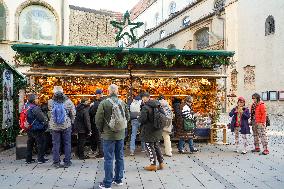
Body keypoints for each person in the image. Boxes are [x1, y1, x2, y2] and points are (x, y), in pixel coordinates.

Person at [96, 84, 130, 189]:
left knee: (108, 159)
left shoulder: (104, 103)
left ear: (108, 92)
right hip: (120, 135)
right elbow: (127, 117)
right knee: (120, 157)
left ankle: (107, 183)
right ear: (117, 91)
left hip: (108, 135)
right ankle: (119, 179)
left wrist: (102, 130)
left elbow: (98, 120)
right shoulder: (122, 103)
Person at [48, 86, 76, 168]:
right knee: (67, 143)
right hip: (66, 125)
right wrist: (71, 121)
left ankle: (56, 162)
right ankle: (67, 162)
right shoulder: (68, 102)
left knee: (56, 144)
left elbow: (50, 114)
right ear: (63, 92)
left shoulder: (50, 102)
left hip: (54, 126)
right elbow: (73, 113)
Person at [139, 92, 164, 171]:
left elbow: (142, 119)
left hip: (149, 130)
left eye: (142, 98)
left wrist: (138, 117)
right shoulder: (157, 105)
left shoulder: (146, 107)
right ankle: (161, 163)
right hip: (157, 129)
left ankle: (153, 165)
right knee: (156, 146)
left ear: (144, 98)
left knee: (150, 147)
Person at [25, 94, 48, 164]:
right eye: (37, 99)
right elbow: (41, 118)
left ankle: (28, 159)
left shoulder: (26, 106)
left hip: (29, 127)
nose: (38, 100)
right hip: (37, 128)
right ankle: (40, 159)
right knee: (40, 143)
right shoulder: (35, 108)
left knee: (30, 143)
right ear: (34, 100)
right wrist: (46, 122)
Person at [89, 89, 104, 158]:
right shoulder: (105, 101)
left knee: (98, 138)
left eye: (96, 94)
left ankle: (101, 153)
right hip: (103, 122)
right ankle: (99, 150)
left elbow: (91, 112)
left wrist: (91, 106)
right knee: (100, 137)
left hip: (96, 122)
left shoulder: (97, 103)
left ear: (98, 94)